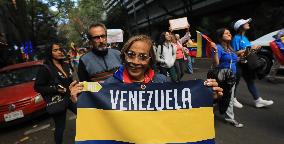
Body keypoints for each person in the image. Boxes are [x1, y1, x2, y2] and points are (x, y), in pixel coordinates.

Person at [70, 35, 223, 102]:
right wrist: (79, 98)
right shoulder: (108, 86)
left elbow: (183, 105)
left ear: (150, 60)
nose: (135, 61)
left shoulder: (163, 81)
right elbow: (94, 111)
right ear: (123, 57)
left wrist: (207, 95)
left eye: (143, 57)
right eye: (131, 55)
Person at [34, 42, 77, 144]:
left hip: (70, 98)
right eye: (55, 50)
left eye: (60, 49)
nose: (59, 52)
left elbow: (69, 80)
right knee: (60, 126)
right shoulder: (45, 68)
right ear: (50, 52)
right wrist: (55, 89)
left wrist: (75, 86)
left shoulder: (66, 64)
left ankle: (90, 138)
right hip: (57, 101)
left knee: (83, 114)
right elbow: (38, 87)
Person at [231, 18, 273, 108]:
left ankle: (258, 100)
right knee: (235, 82)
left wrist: (254, 49)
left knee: (250, 81)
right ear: (240, 27)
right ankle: (232, 99)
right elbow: (235, 53)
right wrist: (251, 48)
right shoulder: (236, 38)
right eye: (245, 23)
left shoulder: (245, 38)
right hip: (238, 63)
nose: (248, 23)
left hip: (246, 63)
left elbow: (247, 52)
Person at [212, 28, 243, 127]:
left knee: (228, 97)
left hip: (231, 78)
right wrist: (216, 51)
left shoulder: (230, 49)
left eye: (229, 33)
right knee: (218, 97)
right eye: (226, 33)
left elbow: (234, 60)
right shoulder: (218, 47)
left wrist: (243, 57)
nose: (229, 34)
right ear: (221, 37)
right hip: (222, 77)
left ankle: (230, 118)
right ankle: (205, 111)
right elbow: (216, 63)